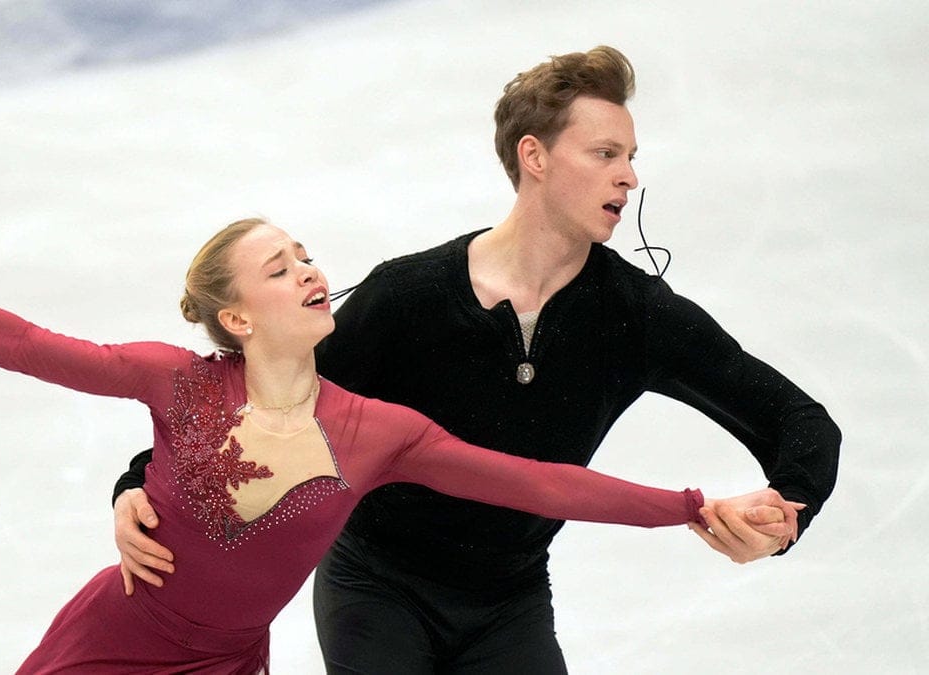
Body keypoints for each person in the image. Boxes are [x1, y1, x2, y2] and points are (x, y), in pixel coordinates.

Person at [0, 185, 800, 674]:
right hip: (115, 646)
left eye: (307, 256)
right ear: (236, 317)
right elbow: (23, 344)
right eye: (281, 268)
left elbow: (537, 482)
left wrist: (688, 504)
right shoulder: (176, 383)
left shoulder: (377, 431)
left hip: (229, 662)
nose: (311, 271)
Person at [110, 45, 841, 673]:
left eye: (630, 157)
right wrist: (136, 483)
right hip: (377, 588)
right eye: (604, 154)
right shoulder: (409, 296)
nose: (629, 177)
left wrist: (784, 515)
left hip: (509, 602)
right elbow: (262, 406)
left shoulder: (635, 316)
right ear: (535, 156)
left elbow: (800, 420)